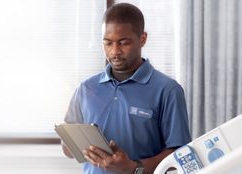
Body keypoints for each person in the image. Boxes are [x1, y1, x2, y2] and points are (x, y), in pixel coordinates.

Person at [61, 3, 191, 174]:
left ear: (142, 39)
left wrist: (132, 168)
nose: (114, 51)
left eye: (123, 43)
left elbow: (180, 155)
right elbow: (67, 148)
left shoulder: (168, 90)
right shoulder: (85, 89)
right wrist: (79, 145)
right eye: (108, 43)